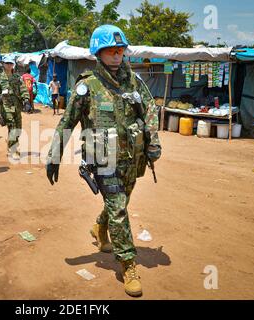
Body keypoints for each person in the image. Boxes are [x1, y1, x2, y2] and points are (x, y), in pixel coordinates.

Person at [45, 25, 162, 297]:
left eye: (120, 50)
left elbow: (150, 113)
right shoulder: (88, 86)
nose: (117, 55)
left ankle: (99, 227)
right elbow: (67, 121)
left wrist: (154, 143)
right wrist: (54, 155)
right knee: (119, 209)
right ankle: (128, 264)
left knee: (120, 203)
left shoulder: (135, 82)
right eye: (111, 50)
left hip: (133, 158)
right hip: (103, 160)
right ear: (98, 52)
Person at [0, 56, 30, 160]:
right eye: (7, 63)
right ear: (3, 64)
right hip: (6, 106)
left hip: (17, 106)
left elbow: (23, 88)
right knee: (12, 127)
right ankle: (13, 150)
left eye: (11, 63)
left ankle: (11, 144)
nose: (9, 65)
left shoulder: (17, 77)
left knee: (18, 129)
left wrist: (26, 100)